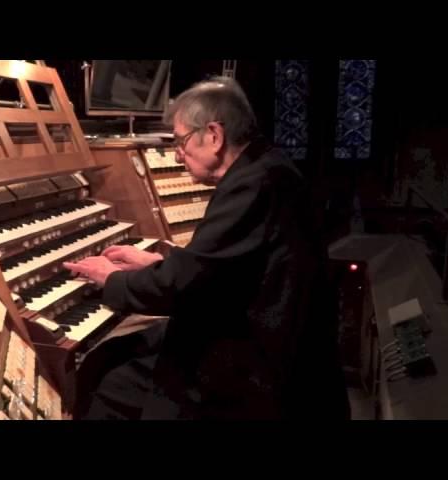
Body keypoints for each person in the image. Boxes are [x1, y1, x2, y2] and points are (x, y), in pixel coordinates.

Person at [64, 76, 350, 419]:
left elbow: (182, 284)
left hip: (257, 365)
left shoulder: (253, 186)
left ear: (214, 135)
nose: (176, 154)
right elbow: (224, 268)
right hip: (266, 336)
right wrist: (158, 261)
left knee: (113, 379)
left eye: (180, 140)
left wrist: (110, 279)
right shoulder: (266, 166)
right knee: (121, 352)